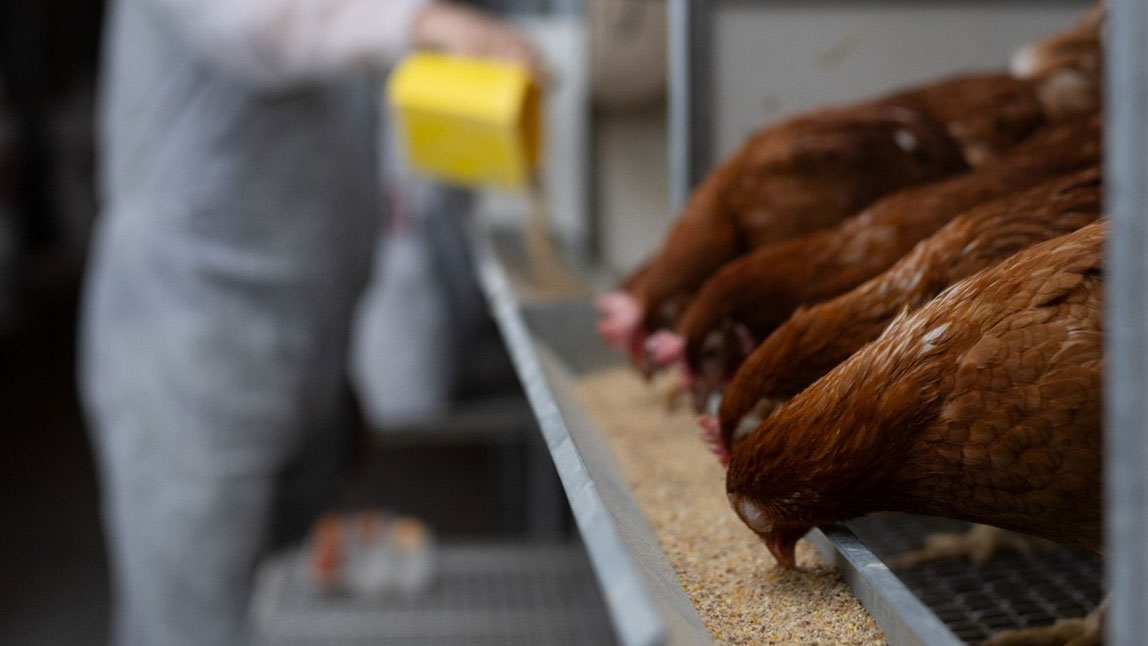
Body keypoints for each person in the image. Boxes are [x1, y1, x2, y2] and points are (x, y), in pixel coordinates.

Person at [78, 2, 534, 645]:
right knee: (196, 625)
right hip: (190, 353)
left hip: (301, 348)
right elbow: (259, 26)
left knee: (297, 613)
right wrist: (427, 21)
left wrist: (335, 365)